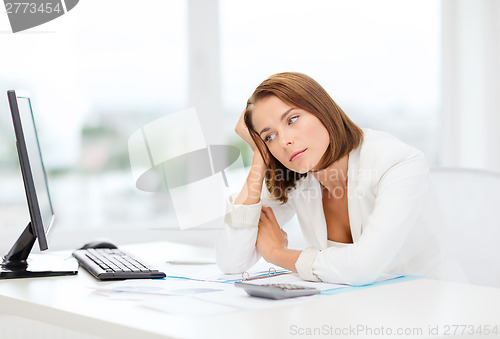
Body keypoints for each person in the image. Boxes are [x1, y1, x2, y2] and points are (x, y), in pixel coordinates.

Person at [216, 72, 464, 285]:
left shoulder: (396, 161)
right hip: (354, 310)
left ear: (321, 109)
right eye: (269, 136)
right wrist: (259, 157)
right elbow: (232, 261)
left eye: (292, 120)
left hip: (433, 307)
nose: (284, 141)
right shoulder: (295, 177)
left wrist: (276, 253)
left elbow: (362, 267)